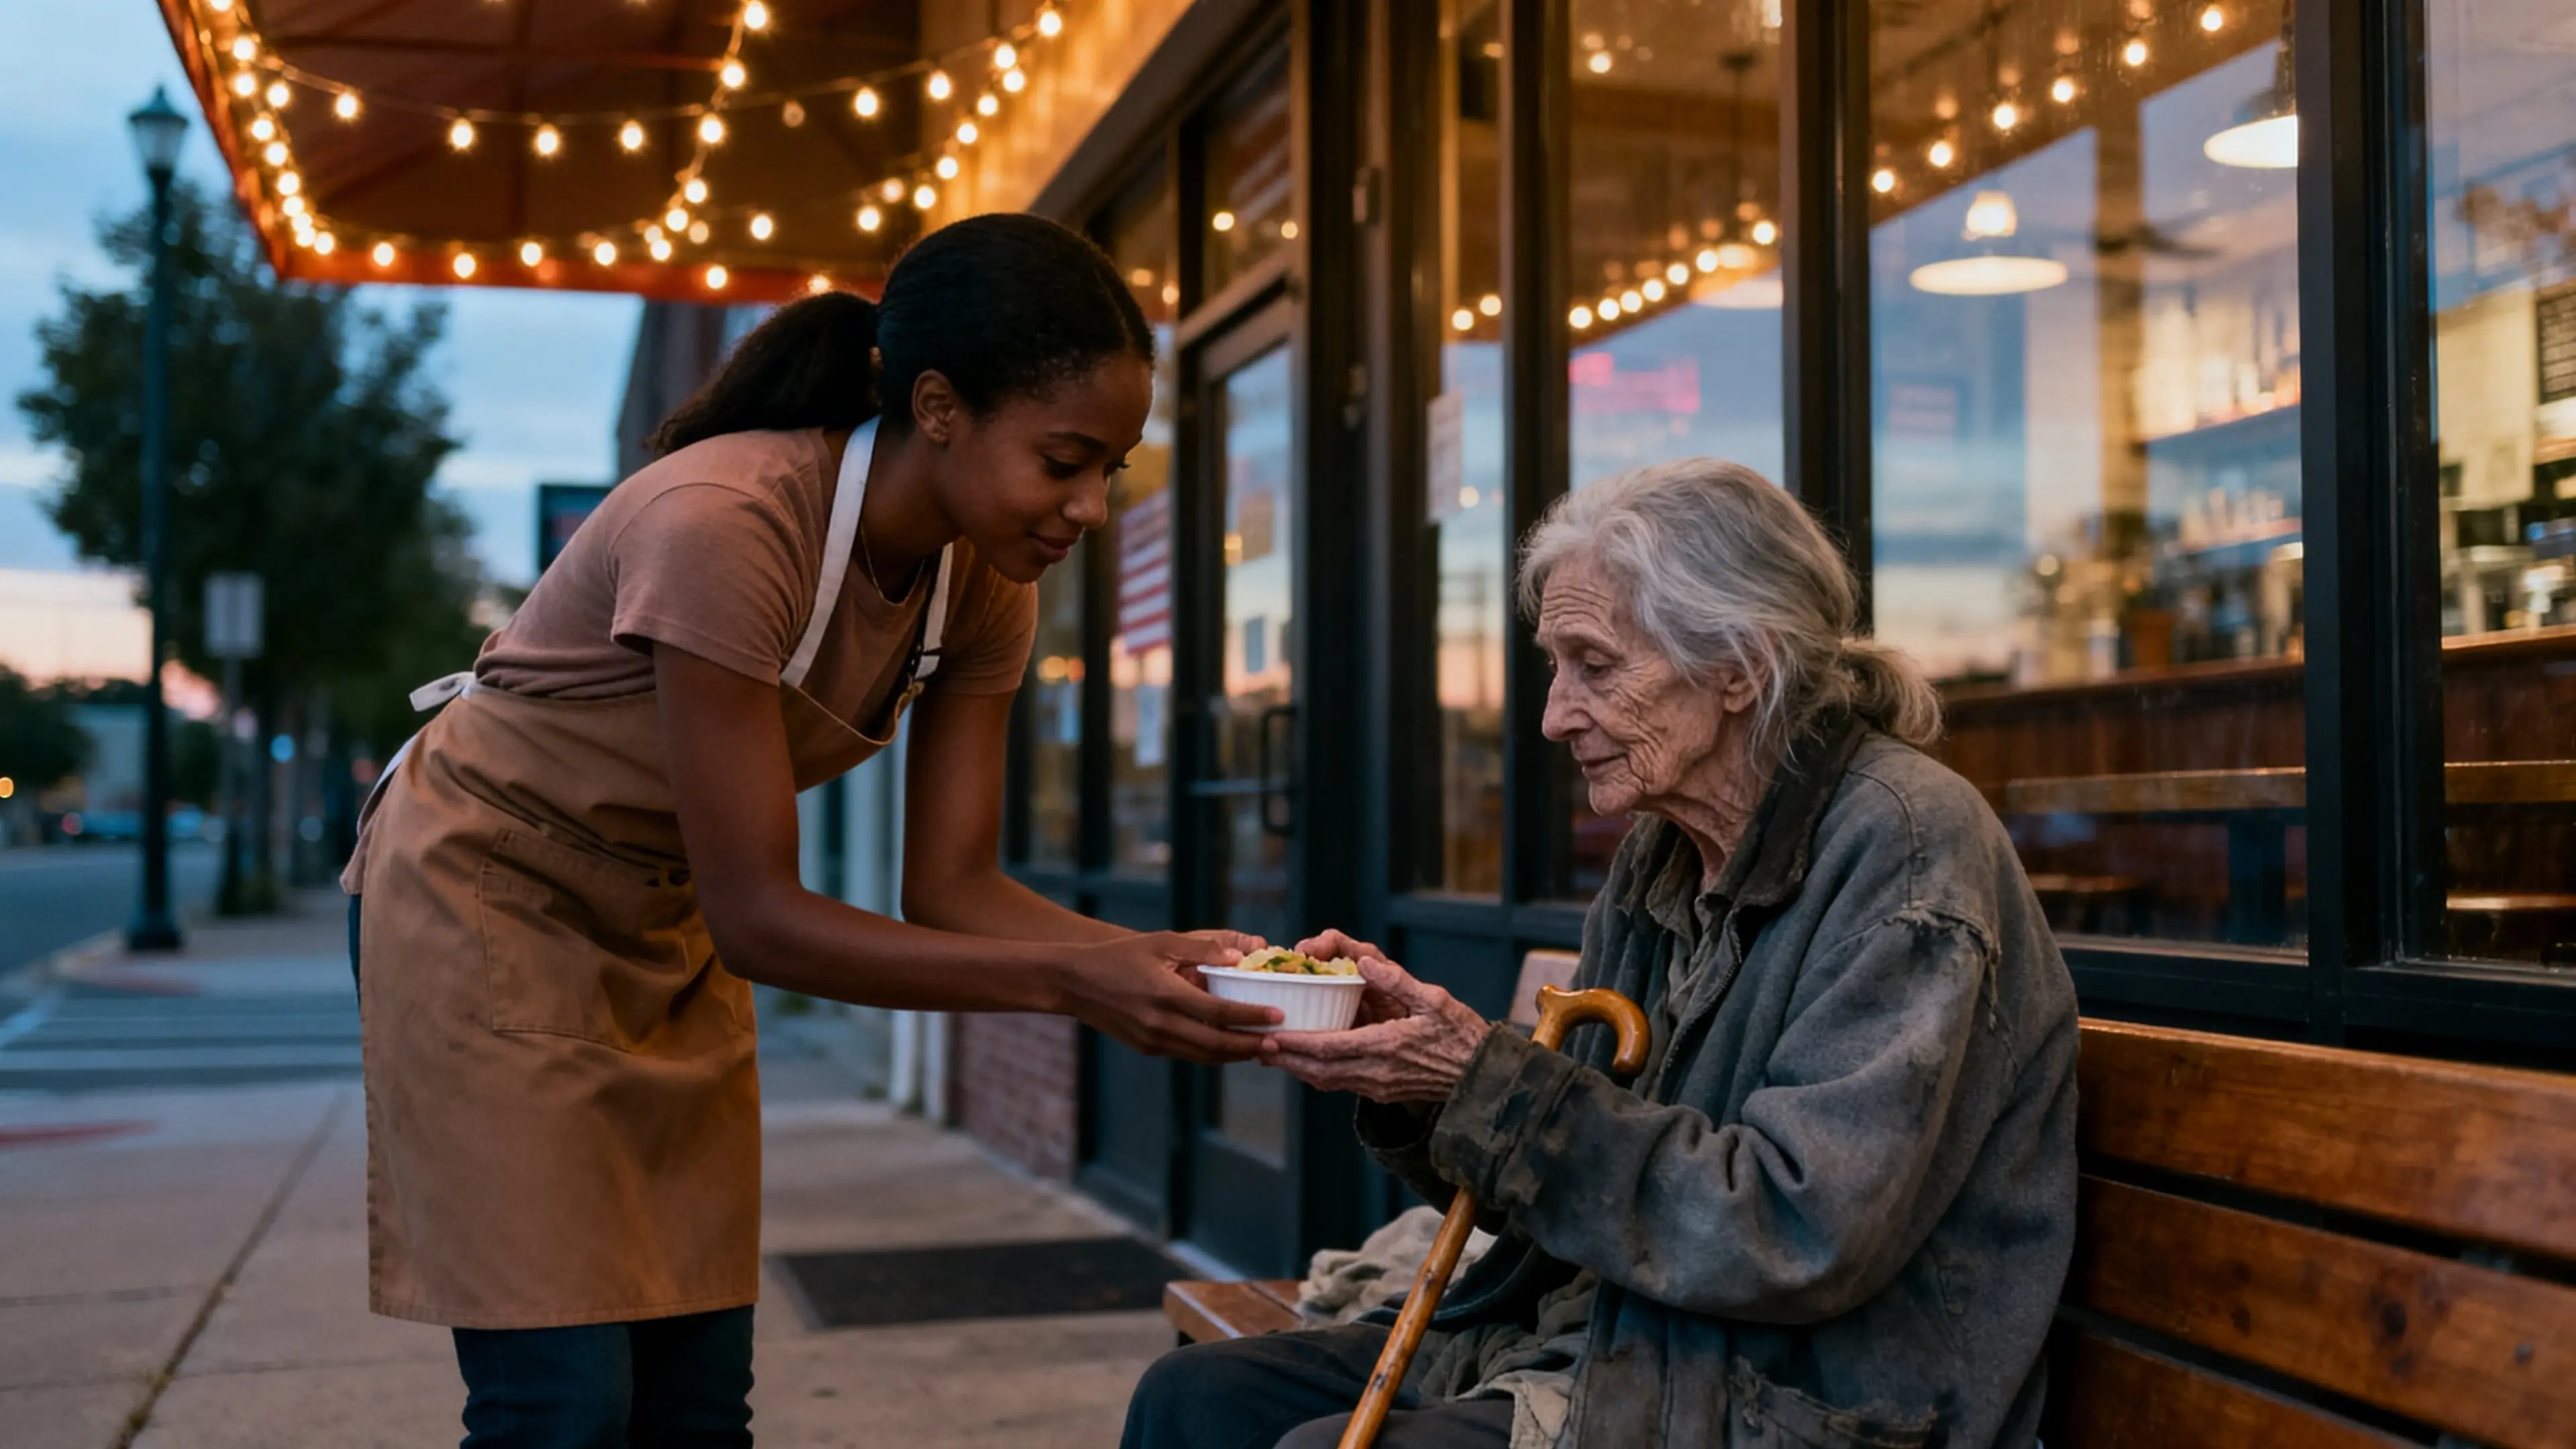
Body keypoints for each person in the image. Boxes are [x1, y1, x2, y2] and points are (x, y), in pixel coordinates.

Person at [342, 213, 1278, 1448]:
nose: (1091, 507)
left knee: (695, 1404)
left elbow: (952, 888)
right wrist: (1075, 981)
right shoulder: (727, 525)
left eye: (1111, 468)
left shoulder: (984, 583)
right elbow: (766, 920)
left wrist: (1150, 958)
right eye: (1065, 460)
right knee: (558, 1410)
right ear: (938, 407)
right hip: (488, 903)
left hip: (668, 927)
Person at [1123, 459, 2081, 1449]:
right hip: (1609, 1338)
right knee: (1194, 1401)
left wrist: (1480, 1083)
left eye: (1596, 665)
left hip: (1791, 1399)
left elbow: (1796, 1237)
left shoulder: (1907, 851)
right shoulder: (1662, 854)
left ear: (1741, 667)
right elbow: (1557, 1194)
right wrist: (1422, 1083)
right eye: (1554, 664)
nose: (1554, 716)